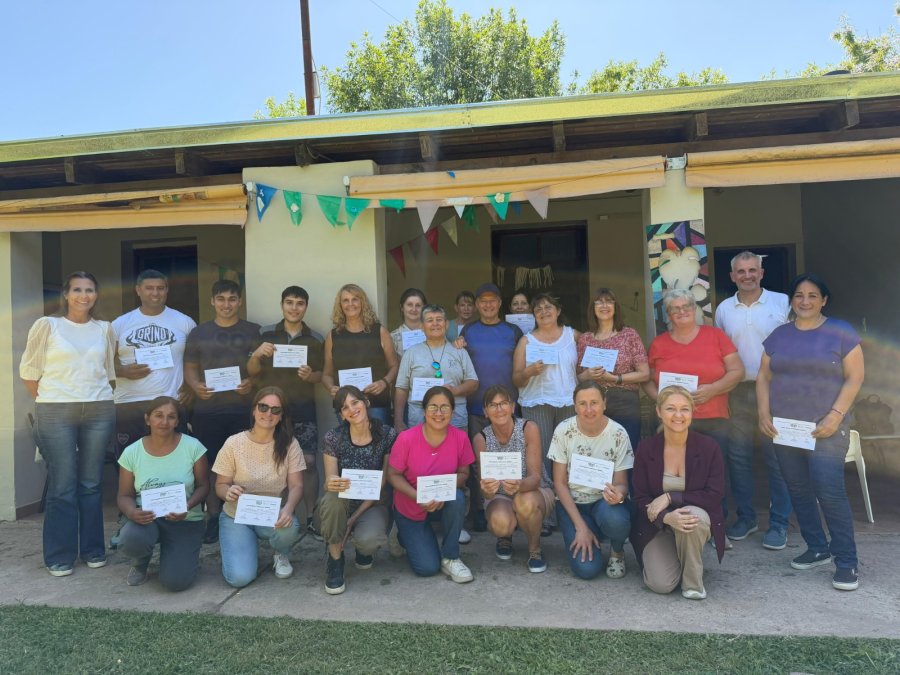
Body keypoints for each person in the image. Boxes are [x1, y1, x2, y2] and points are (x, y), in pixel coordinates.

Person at [757, 273, 864, 592]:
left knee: (829, 491)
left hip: (825, 427)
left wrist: (835, 415)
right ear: (792, 300)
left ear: (824, 300)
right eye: (799, 295)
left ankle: (846, 561)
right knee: (798, 489)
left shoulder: (841, 331)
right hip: (786, 429)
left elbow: (855, 378)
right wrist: (764, 413)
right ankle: (816, 547)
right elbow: (763, 376)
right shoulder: (779, 335)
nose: (805, 301)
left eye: (813, 295)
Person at [20, 271, 116, 577]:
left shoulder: (104, 328)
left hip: (98, 408)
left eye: (89, 289)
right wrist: (52, 400)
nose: (83, 295)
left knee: (91, 483)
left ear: (96, 295)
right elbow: (30, 373)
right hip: (55, 410)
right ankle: (60, 555)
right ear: (66, 294)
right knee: (62, 484)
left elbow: (109, 372)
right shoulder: (47, 325)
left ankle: (92, 549)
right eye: (77, 289)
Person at [645, 289, 746, 529]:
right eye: (674, 309)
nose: (681, 312)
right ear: (668, 314)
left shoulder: (715, 336)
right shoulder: (659, 344)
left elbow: (737, 371)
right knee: (676, 473)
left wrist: (712, 389)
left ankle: (715, 523)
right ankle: (679, 521)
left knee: (714, 473)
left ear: (694, 310)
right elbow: (647, 380)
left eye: (686, 307)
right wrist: (663, 402)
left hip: (713, 416)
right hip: (674, 422)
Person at [714, 252, 793, 548]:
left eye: (752, 270)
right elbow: (721, 352)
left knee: (777, 457)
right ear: (733, 276)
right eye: (740, 271)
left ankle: (779, 523)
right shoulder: (724, 309)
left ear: (761, 272)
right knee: (739, 457)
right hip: (736, 390)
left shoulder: (783, 302)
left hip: (775, 390)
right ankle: (746, 518)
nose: (747, 275)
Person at [630, 386, 727, 600]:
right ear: (658, 412)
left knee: (689, 516)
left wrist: (670, 497)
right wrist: (666, 517)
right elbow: (639, 498)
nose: (678, 415)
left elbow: (714, 494)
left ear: (692, 412)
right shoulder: (646, 449)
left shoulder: (708, 447)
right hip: (657, 526)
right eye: (671, 408)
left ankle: (693, 584)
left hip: (693, 518)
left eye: (684, 409)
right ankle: (680, 555)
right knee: (661, 584)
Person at [183, 280, 260, 544]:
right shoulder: (198, 333)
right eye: (221, 299)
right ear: (212, 302)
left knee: (245, 465)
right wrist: (195, 386)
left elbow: (262, 368)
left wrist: (252, 383)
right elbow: (190, 367)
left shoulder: (253, 331)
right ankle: (214, 516)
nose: (226, 304)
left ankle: (244, 513)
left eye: (232, 299)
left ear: (240, 301)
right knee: (212, 466)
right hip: (207, 409)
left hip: (243, 409)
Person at [248, 286, 324, 540]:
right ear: (282, 305)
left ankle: (312, 518)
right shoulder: (264, 333)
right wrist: (257, 354)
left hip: (303, 409)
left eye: (300, 303)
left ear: (306, 307)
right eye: (289, 302)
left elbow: (323, 375)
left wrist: (310, 375)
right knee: (273, 465)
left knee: (310, 464)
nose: (294, 308)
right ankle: (275, 518)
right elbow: (251, 371)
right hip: (271, 413)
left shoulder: (316, 338)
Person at [212, 387, 304, 588]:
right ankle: (244, 544)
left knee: (289, 528)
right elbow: (220, 484)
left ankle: (281, 552)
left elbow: (296, 485)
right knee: (239, 578)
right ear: (254, 410)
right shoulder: (233, 443)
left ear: (281, 416)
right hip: (236, 515)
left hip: (270, 514)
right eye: (263, 407)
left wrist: (287, 510)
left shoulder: (290, 444)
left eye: (275, 410)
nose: (268, 414)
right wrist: (227, 492)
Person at [116, 396, 209, 590]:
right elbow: (124, 495)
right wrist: (132, 513)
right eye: (158, 416)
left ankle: (181, 555)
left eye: (171, 417)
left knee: (176, 582)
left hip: (185, 519)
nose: (164, 422)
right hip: (148, 518)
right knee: (131, 540)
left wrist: (187, 506)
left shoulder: (193, 447)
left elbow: (204, 486)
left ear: (177, 421)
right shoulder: (132, 452)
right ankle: (140, 563)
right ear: (147, 419)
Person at [388, 386, 475, 583]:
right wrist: (419, 496)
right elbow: (393, 475)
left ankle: (451, 557)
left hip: (442, 502)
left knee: (458, 498)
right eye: (433, 407)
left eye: (445, 407)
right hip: (411, 503)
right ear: (424, 410)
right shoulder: (406, 438)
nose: (438, 413)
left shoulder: (460, 438)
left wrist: (443, 491)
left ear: (452, 412)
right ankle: (402, 533)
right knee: (427, 568)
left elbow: (464, 473)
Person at [549, 382, 633, 580]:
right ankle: (587, 530)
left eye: (594, 402)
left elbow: (622, 483)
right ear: (575, 406)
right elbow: (559, 483)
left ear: (604, 403)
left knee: (617, 519)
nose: (589, 410)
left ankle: (617, 551)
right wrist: (580, 527)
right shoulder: (563, 431)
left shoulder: (618, 433)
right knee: (587, 570)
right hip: (573, 504)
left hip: (603, 503)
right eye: (582, 403)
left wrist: (618, 495)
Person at [457, 282, 523, 531]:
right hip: (476, 407)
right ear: (476, 305)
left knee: (512, 462)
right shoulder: (467, 332)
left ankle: (513, 510)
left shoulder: (513, 331)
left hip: (508, 410)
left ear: (499, 303)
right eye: (482, 300)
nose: (487, 304)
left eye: (492, 300)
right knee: (478, 464)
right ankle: (479, 512)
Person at [319, 386, 397, 595]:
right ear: (341, 414)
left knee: (369, 539)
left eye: (355, 402)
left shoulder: (387, 434)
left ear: (366, 402)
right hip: (342, 501)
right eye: (344, 408)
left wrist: (352, 520)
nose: (352, 410)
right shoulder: (333, 437)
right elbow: (329, 479)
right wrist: (331, 482)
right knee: (333, 500)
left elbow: (382, 482)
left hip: (372, 503)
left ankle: (364, 551)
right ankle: (335, 560)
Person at [111, 269, 196, 459]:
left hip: (170, 400)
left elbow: (195, 360)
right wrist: (122, 371)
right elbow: (101, 363)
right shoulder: (120, 324)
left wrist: (192, 386)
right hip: (129, 402)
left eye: (160, 288)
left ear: (167, 290)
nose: (155, 293)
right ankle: (130, 491)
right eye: (149, 288)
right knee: (129, 460)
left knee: (174, 458)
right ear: (138, 290)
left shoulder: (184, 322)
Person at [473, 385, 553, 573]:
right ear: (485, 411)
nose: (499, 409)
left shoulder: (528, 428)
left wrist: (519, 485)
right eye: (492, 405)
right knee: (500, 523)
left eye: (503, 403)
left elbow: (535, 478)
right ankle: (505, 536)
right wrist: (487, 488)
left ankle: (534, 549)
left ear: (512, 407)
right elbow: (485, 491)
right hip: (500, 496)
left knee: (524, 501)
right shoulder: (481, 438)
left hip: (533, 491)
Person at [513, 293, 580, 477]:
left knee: (569, 453)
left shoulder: (573, 335)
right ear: (533, 315)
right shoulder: (526, 341)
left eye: (548, 307)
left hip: (569, 402)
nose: (544, 312)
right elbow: (516, 379)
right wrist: (529, 372)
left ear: (558, 311)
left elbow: (584, 366)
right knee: (540, 453)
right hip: (537, 403)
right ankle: (545, 497)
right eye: (538, 309)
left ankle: (568, 497)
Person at [576, 287, 649, 450]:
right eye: (599, 302)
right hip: (593, 402)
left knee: (625, 452)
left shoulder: (629, 335)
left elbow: (645, 374)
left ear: (616, 307)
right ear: (592, 308)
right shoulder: (585, 339)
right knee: (595, 452)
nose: (604, 305)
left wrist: (616, 378)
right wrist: (587, 374)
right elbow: (578, 378)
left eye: (609, 301)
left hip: (625, 401)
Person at [321, 283, 399, 425]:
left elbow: (394, 366)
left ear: (362, 302)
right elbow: (326, 374)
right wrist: (331, 388)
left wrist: (384, 382)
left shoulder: (379, 331)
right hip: (346, 406)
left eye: (355, 299)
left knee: (380, 445)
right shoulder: (333, 336)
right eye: (345, 300)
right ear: (340, 305)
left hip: (377, 403)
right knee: (351, 445)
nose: (350, 304)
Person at [394, 304, 478, 432]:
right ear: (422, 326)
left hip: (455, 417)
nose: (435, 324)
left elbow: (473, 382)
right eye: (429, 320)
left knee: (455, 452)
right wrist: (398, 420)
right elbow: (401, 388)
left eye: (439, 320)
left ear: (446, 324)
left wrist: (455, 390)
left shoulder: (459, 352)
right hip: (419, 419)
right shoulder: (411, 353)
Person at [390, 288, 428, 359]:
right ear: (402, 307)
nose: (414, 309)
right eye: (409, 305)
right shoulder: (393, 337)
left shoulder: (433, 333)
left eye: (418, 305)